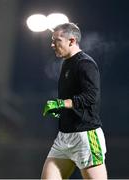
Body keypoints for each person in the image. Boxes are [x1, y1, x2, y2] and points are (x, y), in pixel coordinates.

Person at [41, 22, 107, 179]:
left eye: (57, 40)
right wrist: (62, 109)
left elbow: (91, 97)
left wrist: (62, 103)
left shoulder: (86, 63)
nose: (52, 44)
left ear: (71, 41)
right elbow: (73, 99)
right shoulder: (66, 63)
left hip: (86, 136)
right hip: (64, 137)